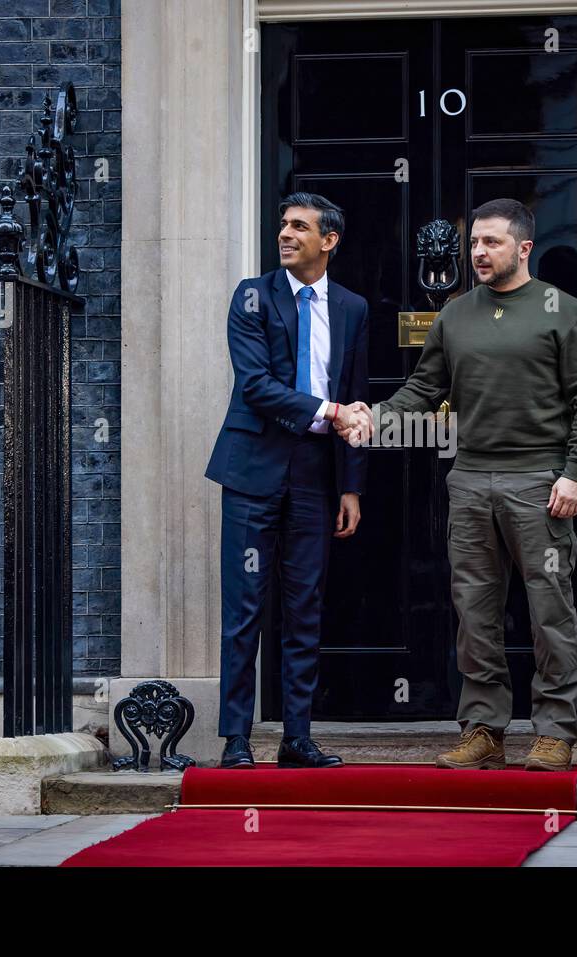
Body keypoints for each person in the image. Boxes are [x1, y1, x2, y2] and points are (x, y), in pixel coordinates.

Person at [343, 198, 577, 771]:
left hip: (540, 482)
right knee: (475, 611)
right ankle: (484, 728)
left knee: (549, 610)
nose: (479, 253)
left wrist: (575, 473)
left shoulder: (568, 314)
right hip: (468, 481)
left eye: (491, 242)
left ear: (523, 247)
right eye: (475, 244)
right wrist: (375, 418)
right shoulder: (454, 316)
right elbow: (422, 391)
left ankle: (556, 731)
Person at [205, 192, 374, 769]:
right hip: (253, 469)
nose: (285, 234)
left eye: (299, 227)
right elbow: (255, 385)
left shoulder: (352, 307)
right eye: (282, 224)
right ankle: (235, 738)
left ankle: (297, 739)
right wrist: (330, 412)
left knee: (305, 607)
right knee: (245, 607)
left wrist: (350, 486)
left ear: (328, 240)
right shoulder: (253, 295)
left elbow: (356, 395)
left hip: (315, 475)